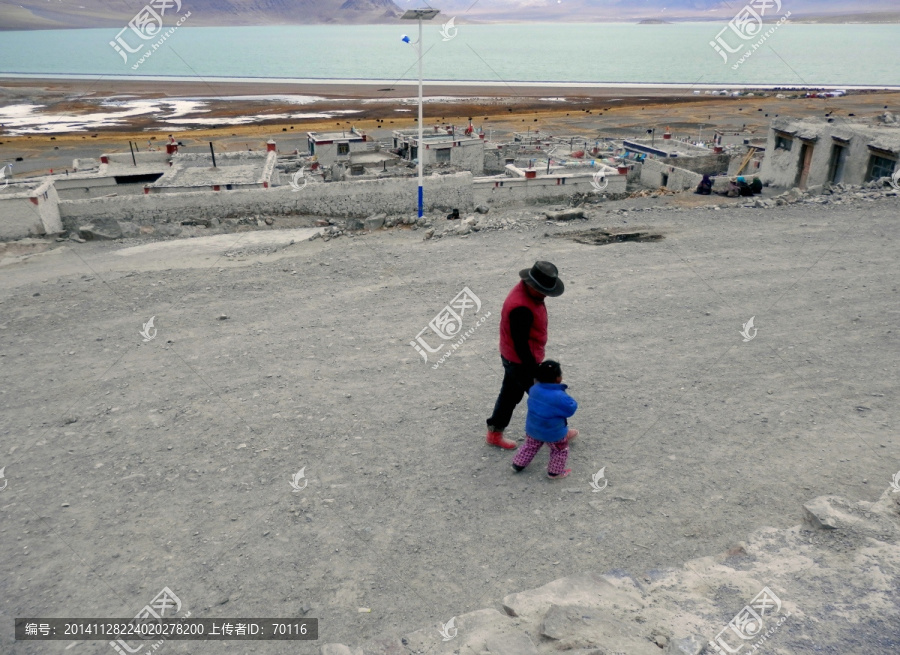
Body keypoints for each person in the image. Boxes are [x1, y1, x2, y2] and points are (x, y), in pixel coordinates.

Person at [485, 261, 564, 449]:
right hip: (520, 360)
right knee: (544, 396)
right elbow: (520, 344)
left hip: (513, 357)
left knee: (510, 395)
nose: (545, 294)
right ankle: (557, 433)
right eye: (542, 290)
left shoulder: (527, 294)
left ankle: (494, 433)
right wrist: (534, 370)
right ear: (531, 284)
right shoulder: (521, 308)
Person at [511, 360, 579, 479]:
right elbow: (570, 409)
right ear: (558, 379)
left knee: (530, 446)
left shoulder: (533, 389)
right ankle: (554, 472)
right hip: (553, 433)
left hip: (533, 428)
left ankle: (517, 464)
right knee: (560, 451)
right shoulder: (559, 396)